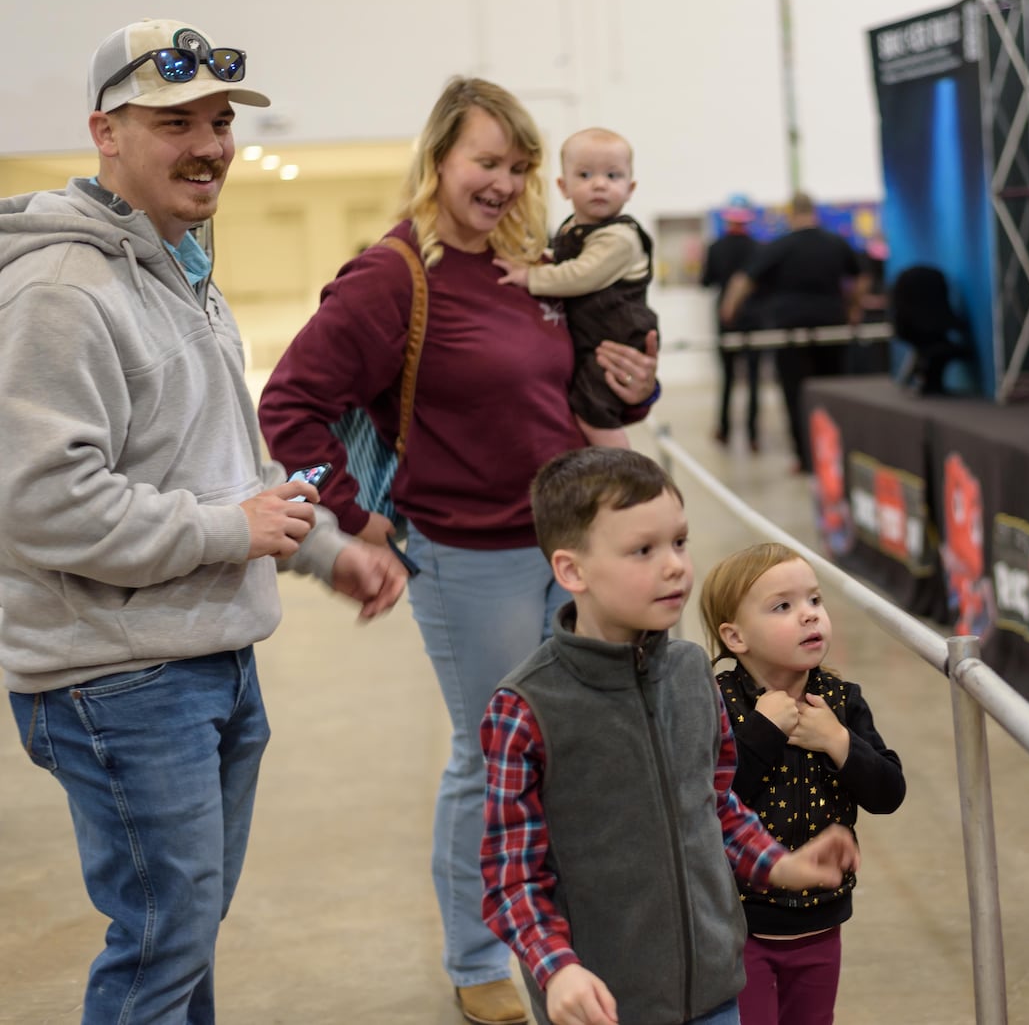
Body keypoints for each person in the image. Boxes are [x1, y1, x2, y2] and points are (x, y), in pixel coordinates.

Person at [0, 18, 409, 1025]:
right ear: (105, 130)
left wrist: (323, 549)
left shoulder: (181, 269)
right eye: (174, 120)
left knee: (183, 940)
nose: (210, 143)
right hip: (117, 676)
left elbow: (224, 463)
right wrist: (235, 532)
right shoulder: (62, 289)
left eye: (220, 120)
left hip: (206, 651)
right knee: (159, 944)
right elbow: (42, 500)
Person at [257, 79, 660, 1025]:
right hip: (467, 557)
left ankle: (550, 931)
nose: (504, 181)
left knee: (569, 753)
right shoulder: (395, 274)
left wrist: (631, 391)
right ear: (440, 157)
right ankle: (478, 952)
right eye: (487, 161)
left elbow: (574, 397)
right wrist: (356, 520)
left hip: (566, 548)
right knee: (492, 759)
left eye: (520, 166)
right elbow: (289, 404)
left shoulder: (532, 264)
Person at [481, 447, 862, 1025]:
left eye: (679, 542)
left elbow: (714, 808)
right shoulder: (526, 709)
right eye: (643, 550)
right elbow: (512, 877)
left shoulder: (690, 673)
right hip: (602, 1006)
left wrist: (782, 865)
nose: (675, 566)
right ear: (571, 571)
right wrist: (555, 968)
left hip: (715, 991)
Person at [699, 543, 905, 1024]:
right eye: (783, 607)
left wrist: (839, 741)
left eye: (814, 600)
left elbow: (888, 793)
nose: (809, 616)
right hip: (738, 928)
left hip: (821, 922)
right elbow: (712, 803)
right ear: (735, 637)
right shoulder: (718, 703)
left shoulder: (840, 700)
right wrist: (761, 735)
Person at [495, 127, 656, 449]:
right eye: (585, 174)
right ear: (563, 186)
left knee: (593, 409)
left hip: (618, 336)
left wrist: (531, 277)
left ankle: (622, 469)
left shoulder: (618, 238)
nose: (599, 183)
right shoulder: (574, 229)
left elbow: (581, 274)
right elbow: (563, 261)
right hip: (593, 336)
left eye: (613, 175)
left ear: (630, 188)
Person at [721, 193, 868, 473]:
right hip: (832, 325)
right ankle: (836, 453)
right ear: (814, 211)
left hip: (790, 330)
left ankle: (804, 457)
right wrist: (853, 307)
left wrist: (729, 309)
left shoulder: (781, 245)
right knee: (834, 391)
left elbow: (744, 279)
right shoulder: (835, 243)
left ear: (791, 213)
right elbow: (861, 276)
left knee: (795, 394)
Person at [701, 196, 763, 451]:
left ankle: (724, 430)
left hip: (726, 320)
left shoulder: (716, 247)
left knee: (727, 378)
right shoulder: (758, 248)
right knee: (754, 379)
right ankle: (753, 435)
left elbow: (706, 282)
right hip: (754, 317)